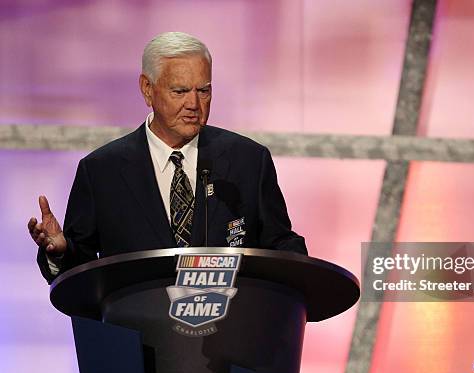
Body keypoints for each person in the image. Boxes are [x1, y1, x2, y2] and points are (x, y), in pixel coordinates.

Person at [27, 32, 307, 283]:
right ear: (147, 89)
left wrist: (300, 268)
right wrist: (60, 252)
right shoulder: (101, 171)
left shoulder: (248, 161)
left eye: (204, 91)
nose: (194, 105)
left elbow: (279, 242)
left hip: (229, 333)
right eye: (180, 91)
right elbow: (82, 271)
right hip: (138, 335)